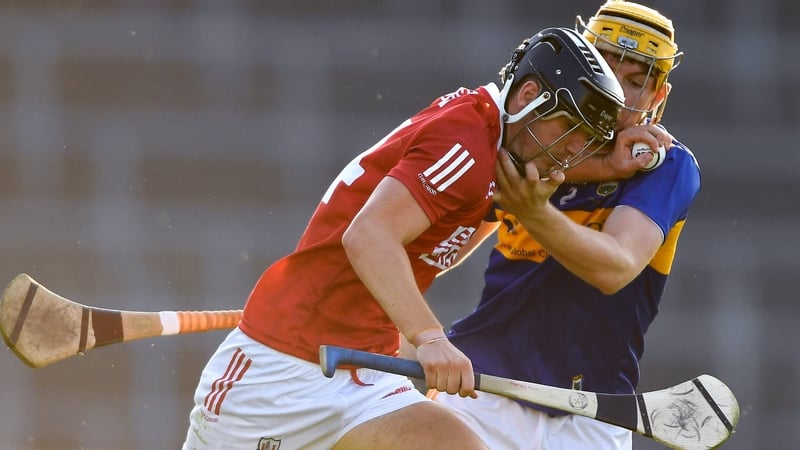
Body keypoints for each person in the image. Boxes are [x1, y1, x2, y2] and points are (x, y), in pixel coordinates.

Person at [183, 27, 626, 450]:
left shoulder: (491, 142)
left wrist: (608, 166)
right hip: (279, 376)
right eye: (571, 129)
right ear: (529, 97)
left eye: (586, 140)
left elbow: (440, 234)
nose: (572, 150)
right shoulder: (467, 144)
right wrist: (431, 338)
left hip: (364, 373)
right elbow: (369, 236)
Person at [430, 2, 701, 450]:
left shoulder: (668, 167)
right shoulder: (532, 138)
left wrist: (535, 212)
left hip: (591, 414)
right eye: (606, 69)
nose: (617, 93)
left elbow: (613, 268)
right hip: (484, 393)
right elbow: (447, 245)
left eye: (636, 82)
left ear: (659, 99)